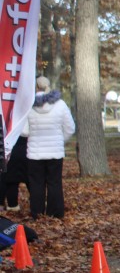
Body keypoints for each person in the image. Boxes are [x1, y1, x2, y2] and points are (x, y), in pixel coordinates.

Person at [25, 76, 76, 219]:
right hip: (55, 151)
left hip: (35, 152)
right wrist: (60, 140)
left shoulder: (29, 105)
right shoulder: (60, 104)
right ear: (48, 86)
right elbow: (70, 128)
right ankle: (56, 212)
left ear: (36, 87)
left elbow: (24, 131)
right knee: (54, 182)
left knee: (36, 184)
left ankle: (37, 212)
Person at [2, 135, 29, 212]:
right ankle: (37, 207)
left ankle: (12, 206)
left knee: (11, 180)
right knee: (32, 181)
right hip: (27, 148)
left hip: (10, 145)